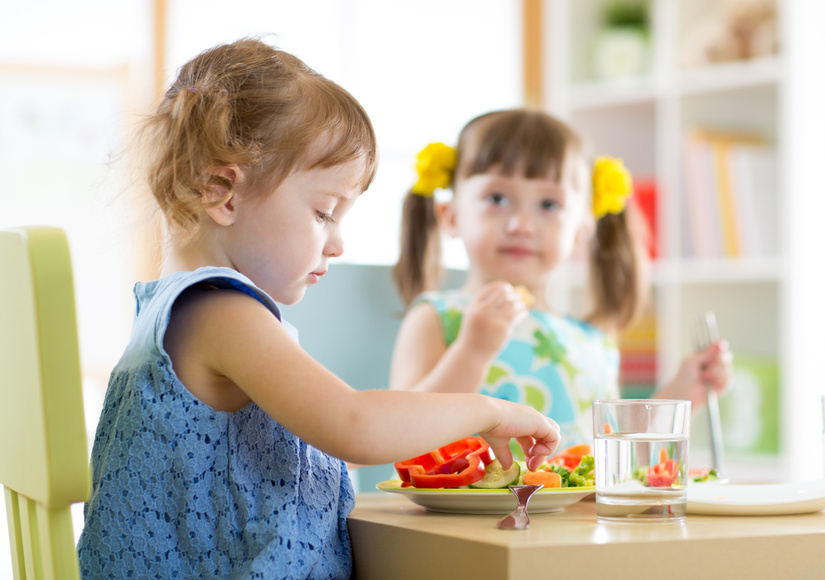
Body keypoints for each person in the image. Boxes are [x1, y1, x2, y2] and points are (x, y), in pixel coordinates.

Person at [76, 40, 560, 580]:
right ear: (223, 192)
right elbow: (355, 427)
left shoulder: (178, 309)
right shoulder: (219, 312)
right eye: (324, 213)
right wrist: (489, 410)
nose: (338, 243)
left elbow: (330, 449)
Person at [390, 109, 732, 448]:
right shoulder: (438, 317)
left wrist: (685, 393)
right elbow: (398, 433)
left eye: (549, 205)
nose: (521, 225)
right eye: (497, 199)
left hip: (578, 506)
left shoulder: (593, 343)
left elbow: (616, 453)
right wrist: (472, 351)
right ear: (450, 216)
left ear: (581, 233)